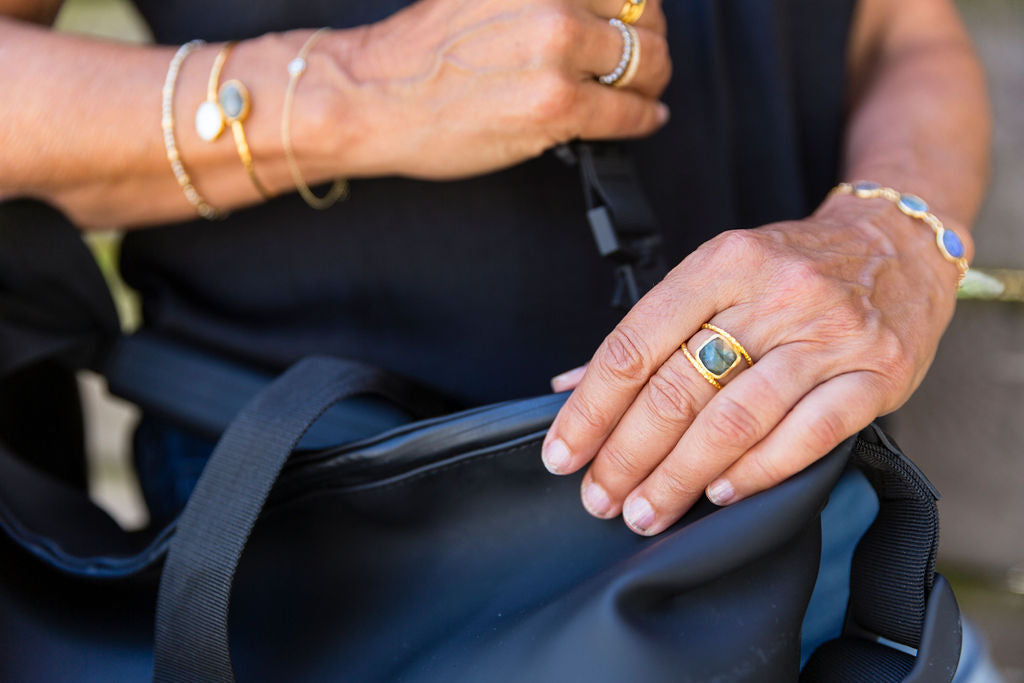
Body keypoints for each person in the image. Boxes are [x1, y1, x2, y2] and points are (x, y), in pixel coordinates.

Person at [0, 0, 993, 676]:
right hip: (318, 548)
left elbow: (899, 29)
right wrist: (348, 90)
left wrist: (893, 235)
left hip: (787, 516)